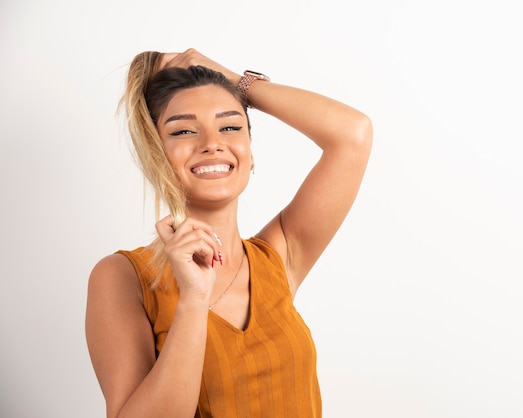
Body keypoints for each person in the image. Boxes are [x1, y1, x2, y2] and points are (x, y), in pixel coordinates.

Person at [85, 48, 373, 418]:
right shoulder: (124, 277)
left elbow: (353, 134)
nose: (212, 143)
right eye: (184, 130)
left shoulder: (279, 256)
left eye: (230, 126)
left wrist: (234, 82)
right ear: (157, 154)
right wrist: (193, 297)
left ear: (250, 154)